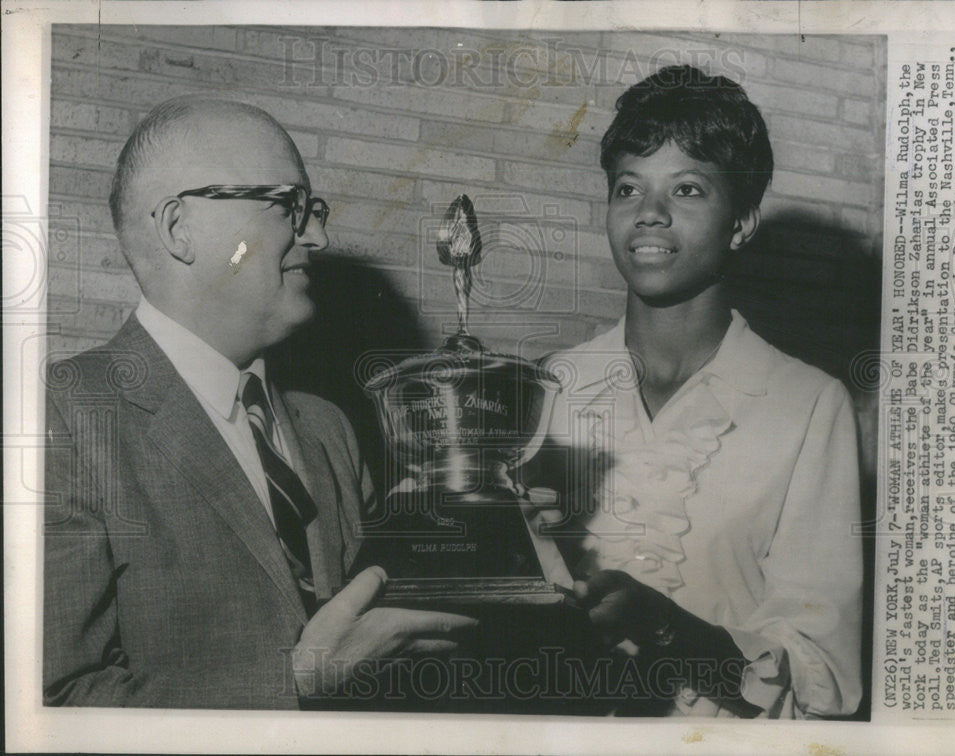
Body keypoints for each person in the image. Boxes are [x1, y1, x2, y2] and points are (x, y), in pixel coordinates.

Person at [43, 96, 477, 709]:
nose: (319, 236)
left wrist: (478, 537)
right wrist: (293, 686)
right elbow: (52, 703)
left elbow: (377, 640)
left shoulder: (329, 429)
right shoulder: (61, 417)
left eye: (313, 210)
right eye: (286, 206)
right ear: (178, 228)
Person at [536, 65, 863, 718]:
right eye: (628, 188)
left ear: (741, 221)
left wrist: (671, 631)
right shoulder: (556, 382)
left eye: (686, 189)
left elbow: (828, 676)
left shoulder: (808, 406)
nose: (649, 214)